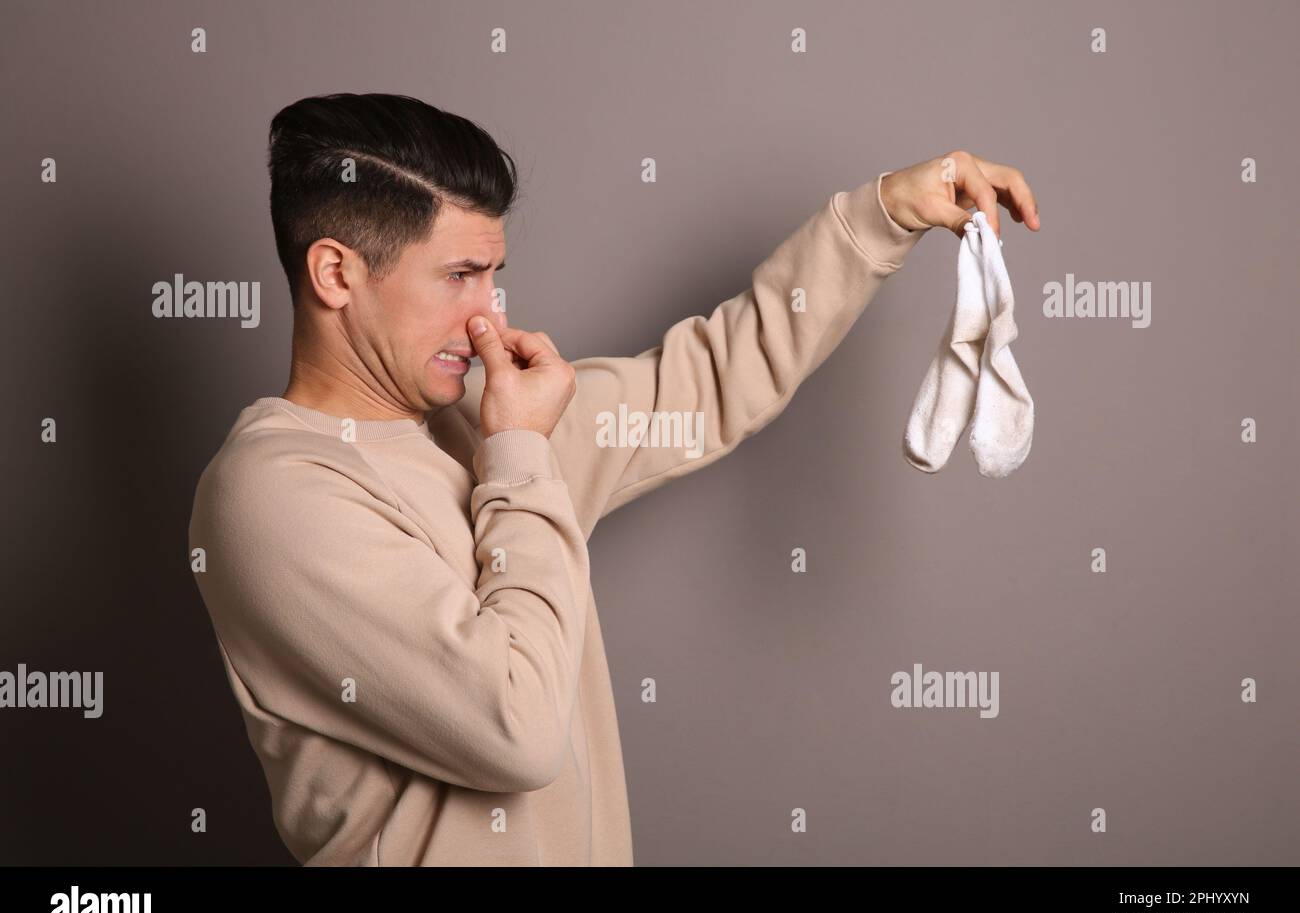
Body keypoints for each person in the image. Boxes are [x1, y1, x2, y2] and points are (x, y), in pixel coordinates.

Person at [188, 92, 1040, 866]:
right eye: (458, 277)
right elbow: (513, 730)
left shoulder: (489, 417)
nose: (490, 315)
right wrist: (519, 453)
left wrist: (883, 214)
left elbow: (705, 385)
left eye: (494, 276)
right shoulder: (272, 495)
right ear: (336, 274)